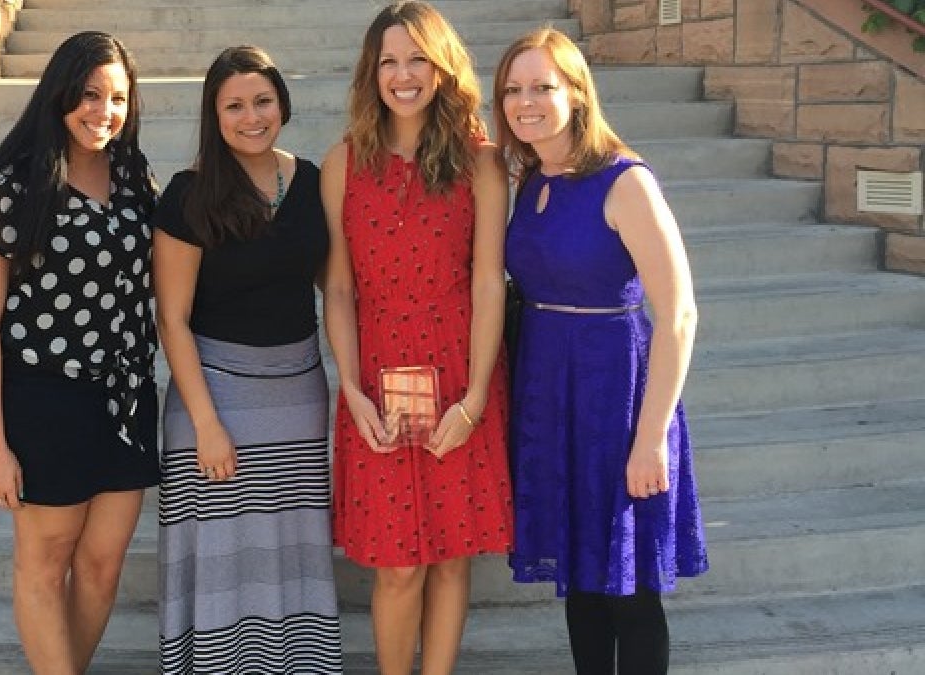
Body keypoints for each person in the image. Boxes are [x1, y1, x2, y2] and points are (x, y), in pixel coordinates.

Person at [492, 27, 710, 675]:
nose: (525, 101)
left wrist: (651, 437)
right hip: (548, 391)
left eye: (542, 86)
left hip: (616, 397)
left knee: (630, 587)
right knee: (582, 580)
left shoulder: (625, 180)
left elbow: (679, 313)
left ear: (577, 93)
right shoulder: (531, 177)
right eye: (512, 89)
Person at [0, 31, 160, 674]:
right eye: (90, 95)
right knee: (45, 564)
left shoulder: (133, 175)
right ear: (60, 94)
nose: (104, 111)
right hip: (43, 398)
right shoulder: (10, 189)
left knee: (101, 565)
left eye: (118, 98)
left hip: (127, 397)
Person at [319, 2, 514, 673]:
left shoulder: (481, 163)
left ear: (441, 67)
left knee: (451, 559)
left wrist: (477, 396)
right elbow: (338, 288)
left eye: (417, 59)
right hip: (375, 376)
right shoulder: (342, 164)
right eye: (389, 62)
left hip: (461, 370)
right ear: (371, 73)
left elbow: (490, 283)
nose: (403, 75)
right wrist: (350, 385)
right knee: (398, 566)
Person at [152, 45, 344, 674]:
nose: (252, 116)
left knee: (292, 553)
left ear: (282, 103)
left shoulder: (313, 182)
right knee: (225, 560)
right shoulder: (187, 195)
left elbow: (336, 289)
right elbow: (171, 318)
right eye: (234, 105)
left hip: (298, 395)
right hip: (216, 402)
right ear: (214, 114)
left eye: (263, 100)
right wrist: (207, 424)